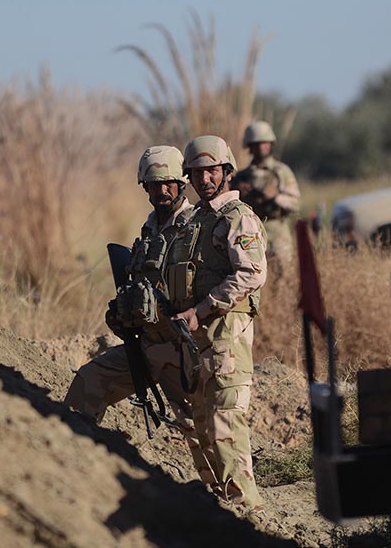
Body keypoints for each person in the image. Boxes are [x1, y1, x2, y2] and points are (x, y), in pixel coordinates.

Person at [63, 145, 218, 489]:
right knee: (89, 382)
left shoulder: (200, 228)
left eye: (168, 184)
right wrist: (123, 311)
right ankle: (69, 469)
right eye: (153, 184)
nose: (161, 191)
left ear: (181, 184)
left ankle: (234, 510)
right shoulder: (150, 231)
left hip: (182, 352)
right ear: (144, 187)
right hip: (145, 347)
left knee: (203, 436)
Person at [167, 135, 267, 509]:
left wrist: (203, 308)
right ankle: (221, 512)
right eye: (196, 173)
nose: (205, 179)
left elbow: (252, 274)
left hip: (227, 333)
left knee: (226, 425)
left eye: (212, 171)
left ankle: (249, 514)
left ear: (226, 172)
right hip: (198, 337)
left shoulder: (238, 218)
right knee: (202, 427)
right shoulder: (197, 220)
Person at [232, 120, 300, 277]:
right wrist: (237, 191)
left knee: (284, 276)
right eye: (256, 143)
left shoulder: (281, 171)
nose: (261, 147)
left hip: (277, 230)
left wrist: (275, 197)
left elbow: (296, 203)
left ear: (271, 144)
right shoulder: (242, 176)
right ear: (250, 146)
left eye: (265, 143)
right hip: (251, 230)